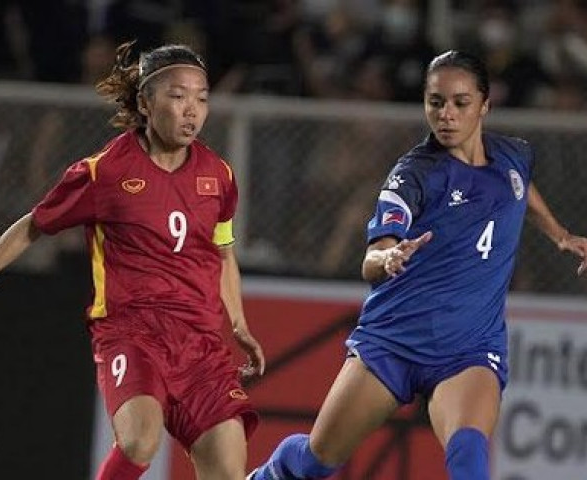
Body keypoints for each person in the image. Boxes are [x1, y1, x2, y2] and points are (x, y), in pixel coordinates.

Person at [248, 50, 587, 480]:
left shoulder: (513, 156)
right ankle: (271, 473)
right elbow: (373, 257)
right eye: (435, 102)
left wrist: (559, 234)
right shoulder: (414, 175)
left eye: (460, 103)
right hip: (393, 343)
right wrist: (386, 257)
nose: (446, 114)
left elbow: (521, 189)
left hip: (468, 349)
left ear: (485, 105)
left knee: (469, 457)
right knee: (318, 460)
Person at [0, 40, 265, 480]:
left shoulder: (219, 176)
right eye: (177, 96)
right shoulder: (105, 172)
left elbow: (223, 251)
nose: (192, 110)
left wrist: (239, 324)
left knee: (228, 469)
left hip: (200, 343)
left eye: (202, 98)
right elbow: (31, 226)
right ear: (146, 104)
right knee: (140, 441)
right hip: (131, 332)